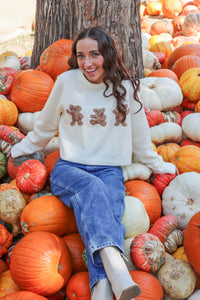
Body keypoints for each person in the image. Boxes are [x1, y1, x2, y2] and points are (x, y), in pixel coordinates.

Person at [10, 26, 177, 300]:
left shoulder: (124, 88)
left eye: (95, 55)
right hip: (69, 168)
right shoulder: (65, 82)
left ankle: (101, 287)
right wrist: (21, 148)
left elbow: (141, 137)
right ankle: (116, 266)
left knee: (110, 209)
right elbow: (44, 127)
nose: (87, 63)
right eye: (81, 56)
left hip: (108, 168)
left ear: (107, 55)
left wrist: (158, 164)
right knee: (91, 189)